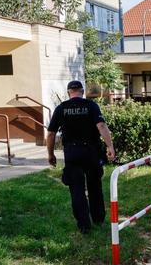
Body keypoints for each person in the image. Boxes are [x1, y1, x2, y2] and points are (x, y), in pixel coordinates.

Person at [46, 80, 115, 234]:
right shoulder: (91, 106)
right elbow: (101, 126)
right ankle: (98, 219)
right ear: (82, 91)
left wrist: (50, 154)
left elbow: (50, 133)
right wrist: (110, 146)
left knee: (76, 190)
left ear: (69, 92)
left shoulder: (61, 108)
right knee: (94, 186)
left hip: (72, 153)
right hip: (91, 152)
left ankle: (84, 226)